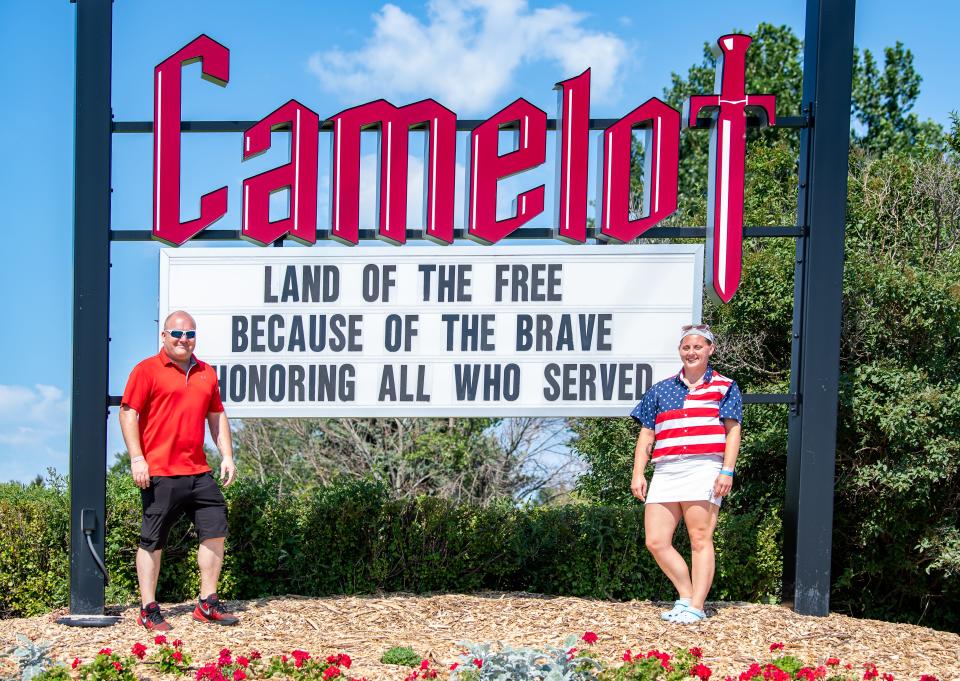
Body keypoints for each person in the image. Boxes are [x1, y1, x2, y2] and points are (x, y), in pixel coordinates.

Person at [119, 310, 239, 630]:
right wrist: (137, 458)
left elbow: (216, 416)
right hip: (159, 472)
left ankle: (207, 603)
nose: (183, 340)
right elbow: (128, 413)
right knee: (152, 540)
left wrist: (227, 455)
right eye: (177, 334)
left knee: (215, 530)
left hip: (199, 471)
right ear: (164, 336)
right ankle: (148, 607)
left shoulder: (206, 373)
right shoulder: (146, 370)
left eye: (189, 334)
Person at [629, 324, 742, 624]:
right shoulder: (660, 389)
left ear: (710, 349)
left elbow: (733, 431)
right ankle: (686, 596)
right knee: (656, 540)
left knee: (700, 538)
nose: (691, 352)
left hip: (704, 467)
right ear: (680, 350)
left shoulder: (726, 386)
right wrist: (638, 473)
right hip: (666, 469)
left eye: (698, 347)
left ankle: (696, 607)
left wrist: (726, 470)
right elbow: (646, 436)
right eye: (686, 347)